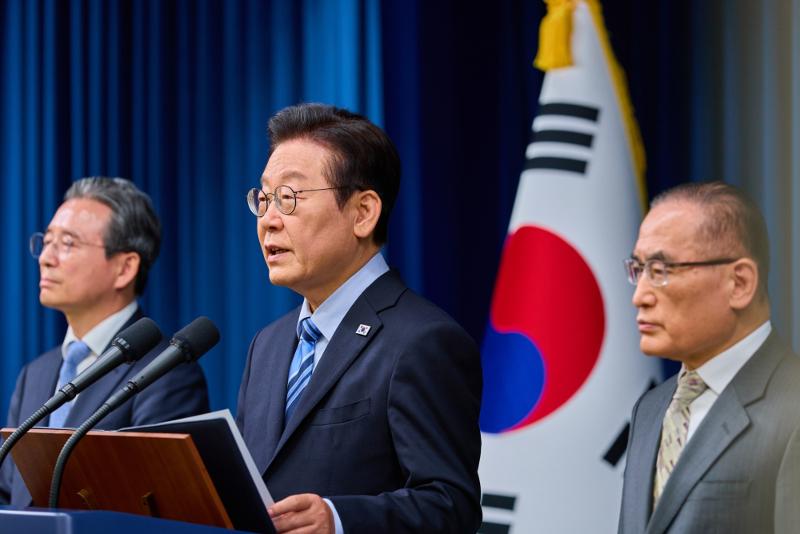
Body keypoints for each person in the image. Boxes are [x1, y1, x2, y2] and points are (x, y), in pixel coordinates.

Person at [236, 103, 482, 534]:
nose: (269, 221)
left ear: (364, 212)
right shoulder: (268, 345)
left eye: (289, 198)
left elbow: (451, 506)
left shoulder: (422, 340)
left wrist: (339, 520)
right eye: (264, 198)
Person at [0, 177, 209, 506]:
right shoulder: (35, 374)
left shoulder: (166, 371)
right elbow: (10, 492)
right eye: (46, 241)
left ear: (125, 268)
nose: (46, 258)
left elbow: (160, 504)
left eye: (67, 243)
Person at [618, 181, 800, 533]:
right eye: (638, 270)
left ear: (740, 283)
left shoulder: (792, 408)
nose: (639, 296)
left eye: (660, 271)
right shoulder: (651, 408)